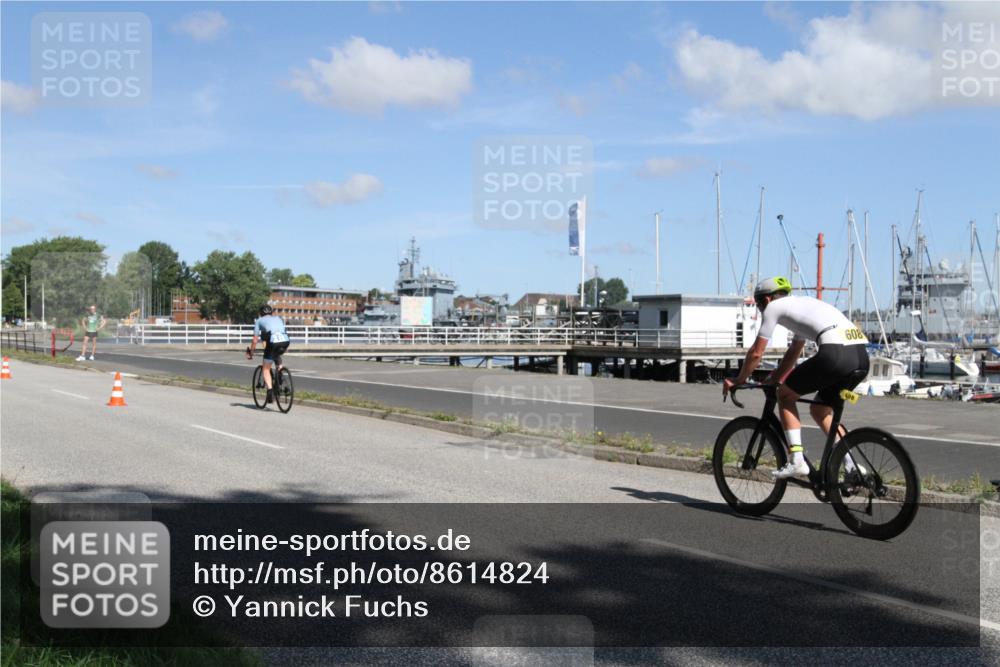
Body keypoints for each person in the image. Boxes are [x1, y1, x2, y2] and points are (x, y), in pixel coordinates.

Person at [722, 277, 870, 478]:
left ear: (766, 299)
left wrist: (739, 379)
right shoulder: (802, 305)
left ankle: (797, 460)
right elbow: (795, 350)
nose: (760, 309)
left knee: (784, 395)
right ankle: (853, 466)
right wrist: (775, 377)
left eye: (758, 305)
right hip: (861, 358)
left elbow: (757, 353)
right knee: (820, 410)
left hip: (835, 354)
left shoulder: (774, 307)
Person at [246, 305, 290, 404]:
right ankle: (280, 375)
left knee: (266, 369)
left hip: (273, 343)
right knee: (277, 355)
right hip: (285, 341)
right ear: (271, 312)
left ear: (261, 313)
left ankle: (270, 392)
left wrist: (251, 352)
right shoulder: (278, 318)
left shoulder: (259, 321)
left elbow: (255, 340)